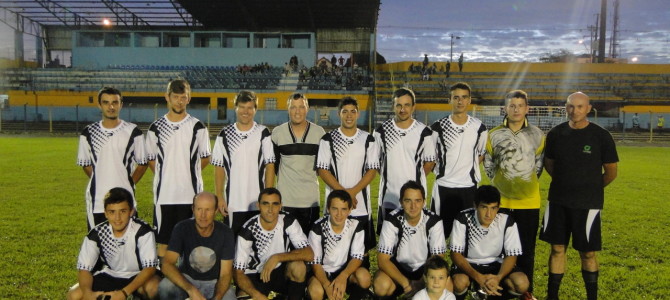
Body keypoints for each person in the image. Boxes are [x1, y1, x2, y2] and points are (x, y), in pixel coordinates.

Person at [540, 92, 619, 300]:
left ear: (588, 108)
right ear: (566, 107)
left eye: (580, 106)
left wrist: (590, 188)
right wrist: (566, 184)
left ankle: (591, 297)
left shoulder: (601, 136)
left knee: (588, 253)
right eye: (570, 106)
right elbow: (550, 164)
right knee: (557, 249)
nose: (574, 111)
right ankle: (552, 296)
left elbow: (611, 173)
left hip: (588, 204)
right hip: (558, 201)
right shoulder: (556, 134)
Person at [484, 90, 544, 295]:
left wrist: (522, 182)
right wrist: (504, 182)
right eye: (512, 105)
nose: (516, 109)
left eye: (520, 105)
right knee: (500, 251)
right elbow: (489, 166)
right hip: (501, 204)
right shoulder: (494, 135)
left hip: (528, 203)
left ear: (527, 109)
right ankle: (499, 291)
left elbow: (538, 167)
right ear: (505, 108)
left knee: (526, 252)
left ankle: (526, 294)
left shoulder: (537, 135)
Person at [145, 79, 211, 258]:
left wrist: (188, 173)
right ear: (167, 97)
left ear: (189, 99)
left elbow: (205, 158)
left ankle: (188, 282)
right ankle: (163, 283)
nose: (179, 101)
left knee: (191, 242)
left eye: (183, 97)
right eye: (175, 97)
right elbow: (151, 161)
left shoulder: (198, 127)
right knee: (164, 244)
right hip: (165, 196)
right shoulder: (155, 128)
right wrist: (167, 175)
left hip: (190, 196)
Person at [66, 187, 159, 300]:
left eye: (123, 211)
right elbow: (84, 270)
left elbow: (149, 269)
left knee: (153, 287)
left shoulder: (143, 231)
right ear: (105, 213)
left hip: (138, 274)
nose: (117, 218)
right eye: (112, 212)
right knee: (74, 295)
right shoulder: (96, 234)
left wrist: (123, 293)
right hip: (112, 274)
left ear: (131, 211)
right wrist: (87, 293)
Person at [77, 87, 148, 230]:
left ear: (121, 104)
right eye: (106, 103)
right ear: (99, 105)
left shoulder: (134, 132)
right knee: (98, 246)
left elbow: (143, 163)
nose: (111, 107)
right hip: (97, 201)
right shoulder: (88, 133)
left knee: (127, 246)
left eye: (115, 102)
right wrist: (101, 177)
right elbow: (86, 164)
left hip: (125, 201)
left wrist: (128, 182)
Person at [316, 96, 379, 252]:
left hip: (361, 208)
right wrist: (345, 194)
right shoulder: (327, 139)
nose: (349, 115)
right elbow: (323, 171)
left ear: (358, 114)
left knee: (362, 256)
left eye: (353, 111)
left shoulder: (368, 139)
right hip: (335, 208)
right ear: (339, 114)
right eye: (345, 112)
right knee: (334, 253)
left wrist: (353, 192)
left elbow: (372, 170)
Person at [450, 185, 531, 300]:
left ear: (498, 207)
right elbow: (455, 254)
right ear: (475, 206)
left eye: (493, 208)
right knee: (459, 282)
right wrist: (479, 278)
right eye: (484, 207)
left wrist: (498, 277)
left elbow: (512, 255)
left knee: (521, 283)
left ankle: (489, 293)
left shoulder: (506, 221)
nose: (489, 214)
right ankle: (475, 288)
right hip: (470, 264)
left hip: (496, 264)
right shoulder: (463, 218)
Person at [211, 90, 275, 235]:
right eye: (242, 107)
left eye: (250, 108)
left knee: (256, 247)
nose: (245, 112)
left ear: (255, 109)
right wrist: (220, 197)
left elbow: (270, 166)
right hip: (233, 203)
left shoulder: (263, 133)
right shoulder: (224, 134)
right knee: (232, 247)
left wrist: (267, 198)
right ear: (236, 108)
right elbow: (219, 168)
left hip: (257, 204)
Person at [233, 188, 314, 300]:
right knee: (245, 295)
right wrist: (257, 296)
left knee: (298, 266)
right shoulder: (247, 231)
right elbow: (238, 273)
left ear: (280, 206)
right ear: (259, 206)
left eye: (275, 204)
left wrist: (277, 258)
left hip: (279, 270)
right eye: (266, 204)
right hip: (255, 274)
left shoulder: (288, 221)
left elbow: (309, 253)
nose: (270, 209)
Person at [430, 82, 487, 238]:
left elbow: (480, 154)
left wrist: (467, 168)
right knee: (439, 234)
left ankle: (461, 263)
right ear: (450, 100)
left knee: (469, 235)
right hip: (444, 187)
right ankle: (438, 263)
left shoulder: (479, 128)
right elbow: (432, 156)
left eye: (464, 97)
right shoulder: (437, 128)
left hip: (469, 188)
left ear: (469, 100)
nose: (460, 101)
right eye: (456, 97)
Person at [373, 88, 436, 227]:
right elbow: (375, 162)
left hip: (415, 200)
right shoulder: (380, 132)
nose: (403, 109)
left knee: (414, 243)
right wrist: (389, 175)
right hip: (388, 197)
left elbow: (429, 162)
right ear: (393, 107)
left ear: (413, 107)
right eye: (399, 105)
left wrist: (415, 179)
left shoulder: (424, 132)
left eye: (407, 105)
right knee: (388, 244)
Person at [373, 181, 447, 299]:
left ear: (424, 201)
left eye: (417, 201)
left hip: (424, 269)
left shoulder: (434, 221)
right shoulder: (392, 220)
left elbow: (437, 258)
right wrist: (406, 284)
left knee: (448, 285)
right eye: (408, 201)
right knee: (381, 285)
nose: (413, 206)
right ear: (401, 202)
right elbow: (382, 260)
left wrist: (422, 283)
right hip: (398, 268)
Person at [158, 192, 236, 300]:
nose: (203, 215)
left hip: (214, 283)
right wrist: (191, 289)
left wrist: (217, 297)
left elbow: (225, 274)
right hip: (187, 279)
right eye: (199, 209)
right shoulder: (182, 228)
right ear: (193, 209)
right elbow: (167, 264)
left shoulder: (225, 233)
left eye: (208, 210)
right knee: (165, 286)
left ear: (216, 211)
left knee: (229, 297)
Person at [271, 92, 326, 234]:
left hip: (310, 202)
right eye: (293, 107)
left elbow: (322, 169)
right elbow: (273, 167)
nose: (297, 111)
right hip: (285, 200)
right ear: (288, 109)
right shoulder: (277, 133)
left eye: (301, 107)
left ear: (307, 108)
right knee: (286, 247)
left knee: (309, 247)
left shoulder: (319, 133)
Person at [307, 190, 371, 300]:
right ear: (328, 208)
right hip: (323, 272)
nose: (339, 214)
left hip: (345, 271)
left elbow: (357, 257)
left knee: (364, 278)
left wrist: (343, 276)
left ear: (350, 210)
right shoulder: (317, 228)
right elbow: (315, 263)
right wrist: (327, 285)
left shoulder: (356, 226)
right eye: (334, 208)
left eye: (344, 209)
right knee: (315, 291)